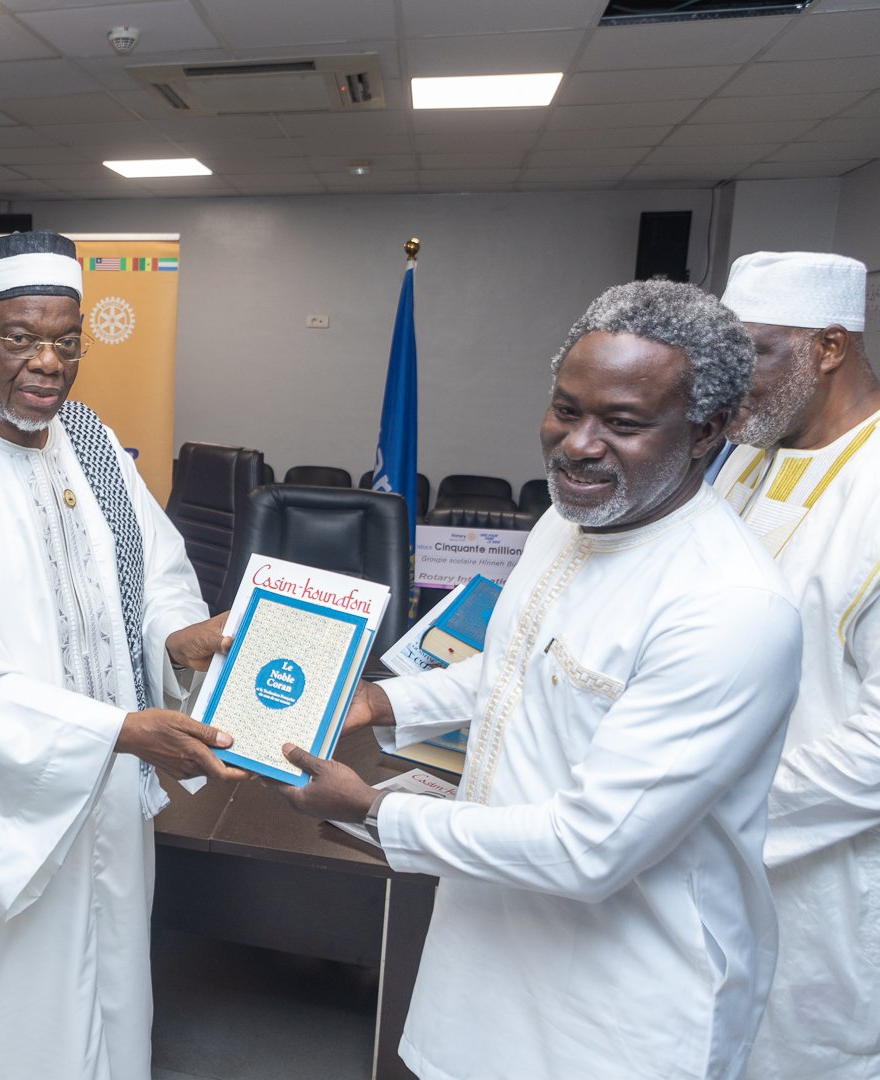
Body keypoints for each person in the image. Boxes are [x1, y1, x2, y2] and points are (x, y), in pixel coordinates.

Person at [279, 280, 803, 1080]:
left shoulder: (728, 606)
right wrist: (377, 700)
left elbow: (590, 850)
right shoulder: (567, 521)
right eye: (566, 409)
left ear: (708, 430)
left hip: (619, 1004)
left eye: (622, 423)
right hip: (484, 941)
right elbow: (518, 667)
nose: (579, 445)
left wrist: (371, 810)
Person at [0, 230, 248, 1079]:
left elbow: (154, 574)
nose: (48, 363)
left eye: (67, 342)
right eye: (20, 338)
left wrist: (176, 641)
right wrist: (120, 731)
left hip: (100, 799)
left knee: (107, 1013)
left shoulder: (94, 446)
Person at [709, 251, 880, 1080]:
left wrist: (703, 800)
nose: (731, 381)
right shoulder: (750, 451)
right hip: (703, 853)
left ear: (830, 346)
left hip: (821, 877)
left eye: (756, 354)